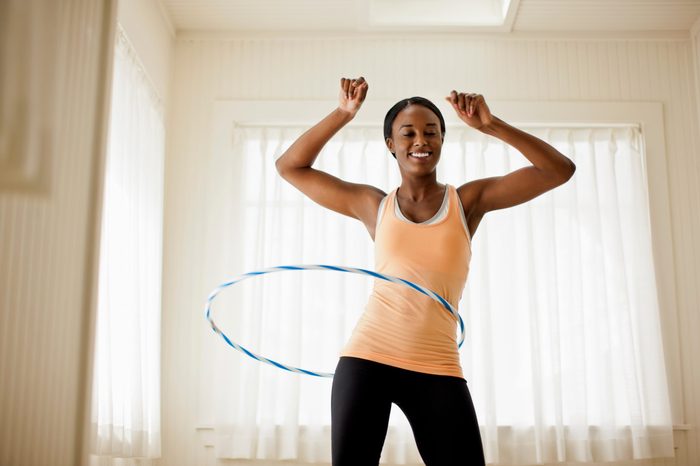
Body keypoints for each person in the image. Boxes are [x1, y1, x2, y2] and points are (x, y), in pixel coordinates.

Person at [275, 76, 576, 465]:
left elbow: (559, 170)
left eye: (431, 132)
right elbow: (290, 167)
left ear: (442, 141)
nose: (421, 141)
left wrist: (491, 125)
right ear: (391, 144)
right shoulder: (374, 205)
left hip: (437, 364)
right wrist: (343, 113)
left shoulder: (467, 201)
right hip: (368, 358)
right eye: (408, 133)